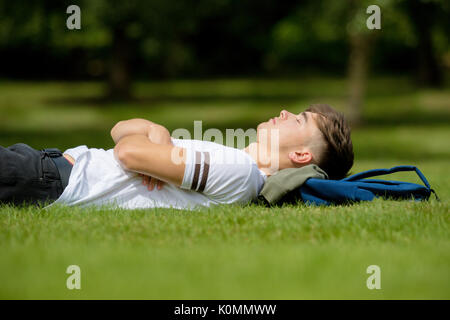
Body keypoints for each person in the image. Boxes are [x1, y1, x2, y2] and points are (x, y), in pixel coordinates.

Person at [0, 104, 353, 210]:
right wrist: (154, 132)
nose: (286, 112)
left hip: (52, 180)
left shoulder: (241, 171)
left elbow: (126, 150)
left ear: (303, 153)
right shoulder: (236, 161)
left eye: (300, 119)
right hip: (48, 168)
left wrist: (152, 142)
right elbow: (120, 128)